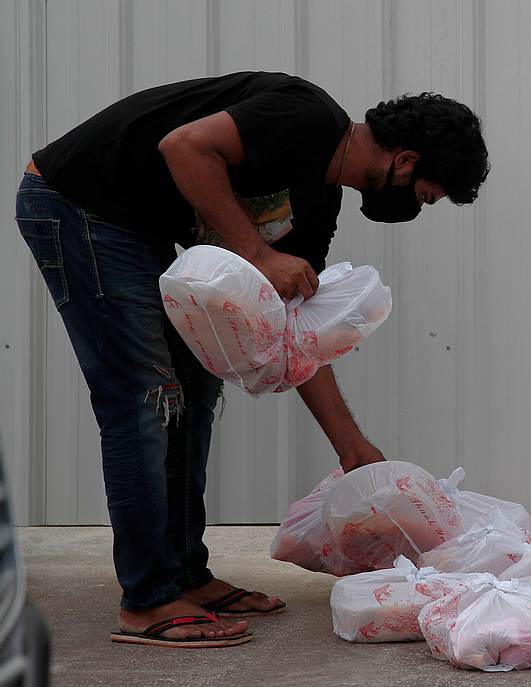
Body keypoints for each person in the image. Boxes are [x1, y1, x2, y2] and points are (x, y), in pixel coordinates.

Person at [14, 71, 489, 648]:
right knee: (146, 397)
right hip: (79, 202)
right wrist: (256, 251)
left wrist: (352, 450)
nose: (416, 207)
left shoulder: (318, 202)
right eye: (423, 195)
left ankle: (185, 574)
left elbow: (293, 330)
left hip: (137, 229)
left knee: (195, 392)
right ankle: (148, 600)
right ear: (406, 160)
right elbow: (183, 146)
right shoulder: (307, 116)